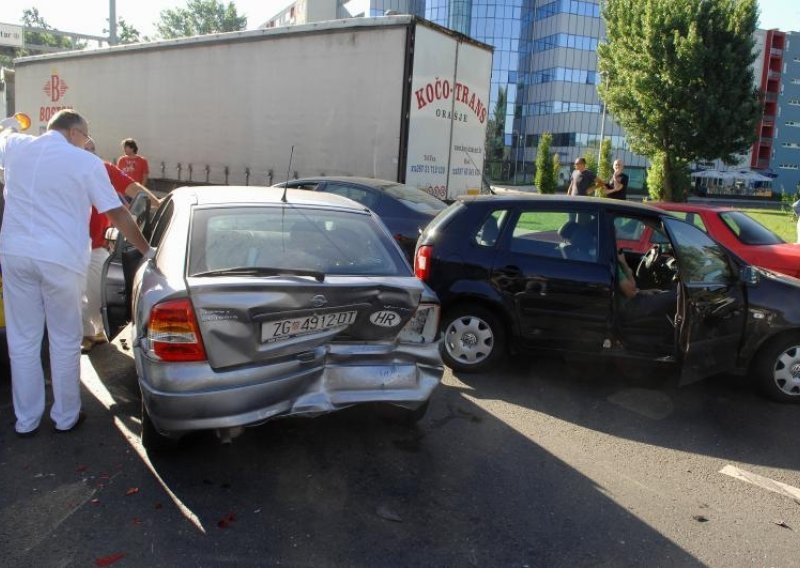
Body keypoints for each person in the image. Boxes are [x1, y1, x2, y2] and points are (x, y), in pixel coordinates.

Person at [0, 110, 151, 437]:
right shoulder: (85, 163)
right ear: (74, 133)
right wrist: (147, 250)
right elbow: (118, 212)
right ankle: (65, 416)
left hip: (14, 253)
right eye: (86, 136)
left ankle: (26, 420)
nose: (87, 142)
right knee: (64, 338)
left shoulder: (18, 146)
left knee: (23, 339)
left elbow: (3, 137)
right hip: (60, 257)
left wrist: (11, 124)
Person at [82, 137, 160, 352]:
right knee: (76, 297)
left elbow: (133, 188)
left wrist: (158, 204)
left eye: (93, 148)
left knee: (96, 292)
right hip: (66, 247)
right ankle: (85, 334)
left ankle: (96, 331)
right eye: (85, 148)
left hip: (96, 245)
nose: (91, 153)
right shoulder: (64, 168)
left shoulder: (102, 168)